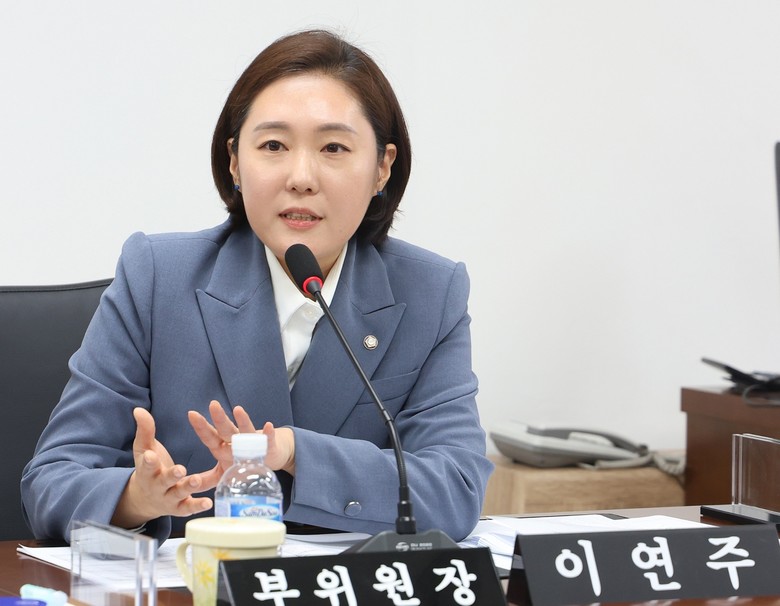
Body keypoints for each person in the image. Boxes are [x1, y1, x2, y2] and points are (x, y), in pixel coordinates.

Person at [21, 29, 493, 543]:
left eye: (334, 147)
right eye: (273, 145)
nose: (301, 177)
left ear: (382, 167)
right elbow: (52, 481)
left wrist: (294, 451)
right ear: (234, 161)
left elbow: (455, 490)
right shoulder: (157, 276)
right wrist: (136, 498)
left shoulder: (430, 292)